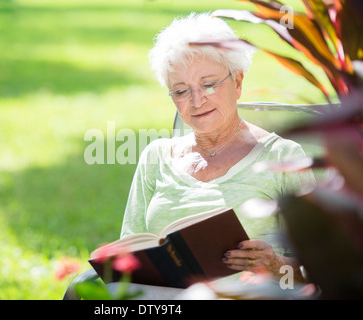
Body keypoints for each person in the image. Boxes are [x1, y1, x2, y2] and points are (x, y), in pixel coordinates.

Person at [120, 12, 315, 283]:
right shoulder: (156, 156)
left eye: (208, 84)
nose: (197, 101)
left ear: (237, 82)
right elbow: (126, 258)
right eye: (181, 91)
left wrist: (276, 264)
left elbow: (322, 272)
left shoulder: (283, 157)